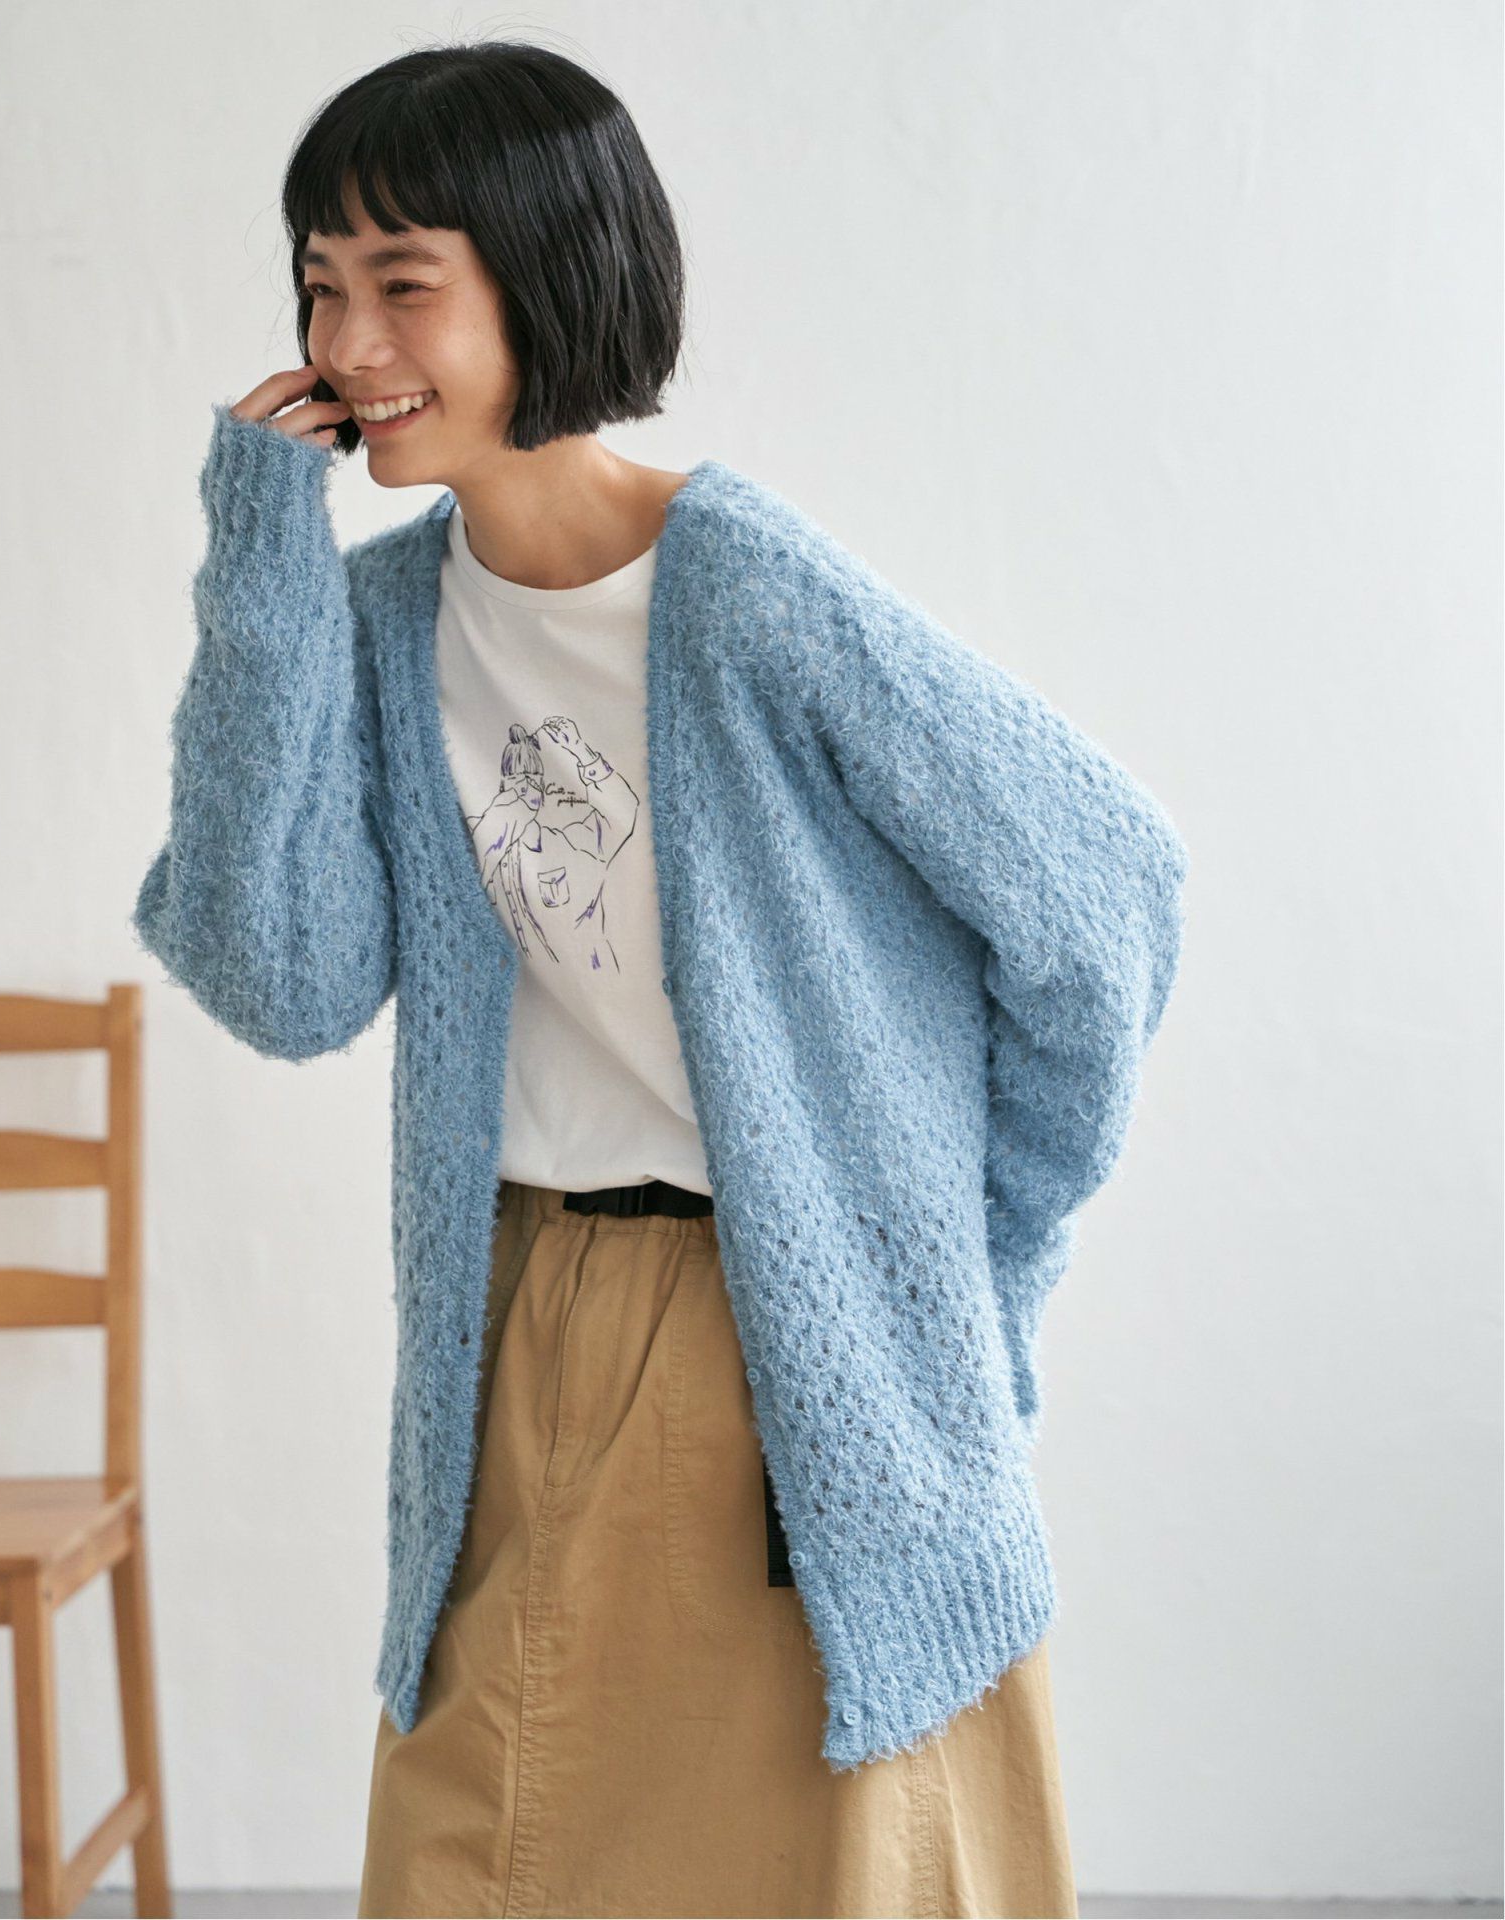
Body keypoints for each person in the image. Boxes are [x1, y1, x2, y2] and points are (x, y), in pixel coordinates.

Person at [133, 38, 1189, 1920]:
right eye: (318, 282)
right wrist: (261, 568)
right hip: (508, 1314)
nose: (347, 341)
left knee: (807, 1856)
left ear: (547, 278)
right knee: (480, 1844)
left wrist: (972, 1246)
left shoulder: (748, 593)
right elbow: (279, 976)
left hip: (772, 1344)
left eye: (402, 283)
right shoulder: (378, 625)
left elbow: (1102, 900)